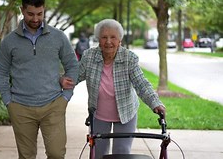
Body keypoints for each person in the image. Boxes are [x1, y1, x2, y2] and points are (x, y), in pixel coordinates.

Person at [61, 19, 166, 159]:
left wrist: (155, 103)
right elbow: (75, 77)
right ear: (99, 39)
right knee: (99, 153)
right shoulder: (89, 56)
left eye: (113, 37)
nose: (108, 41)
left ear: (120, 40)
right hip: (99, 114)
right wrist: (62, 80)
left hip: (125, 114)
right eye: (104, 37)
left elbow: (142, 84)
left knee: (121, 154)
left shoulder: (129, 58)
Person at [0, 0, 78, 158]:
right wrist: (8, 101)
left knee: (56, 154)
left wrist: (66, 97)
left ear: (44, 10)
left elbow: (72, 65)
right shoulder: (9, 41)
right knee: (26, 156)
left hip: (53, 105)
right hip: (20, 106)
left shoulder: (58, 37)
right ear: (22, 10)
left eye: (39, 14)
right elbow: (1, 71)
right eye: (30, 14)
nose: (35, 19)